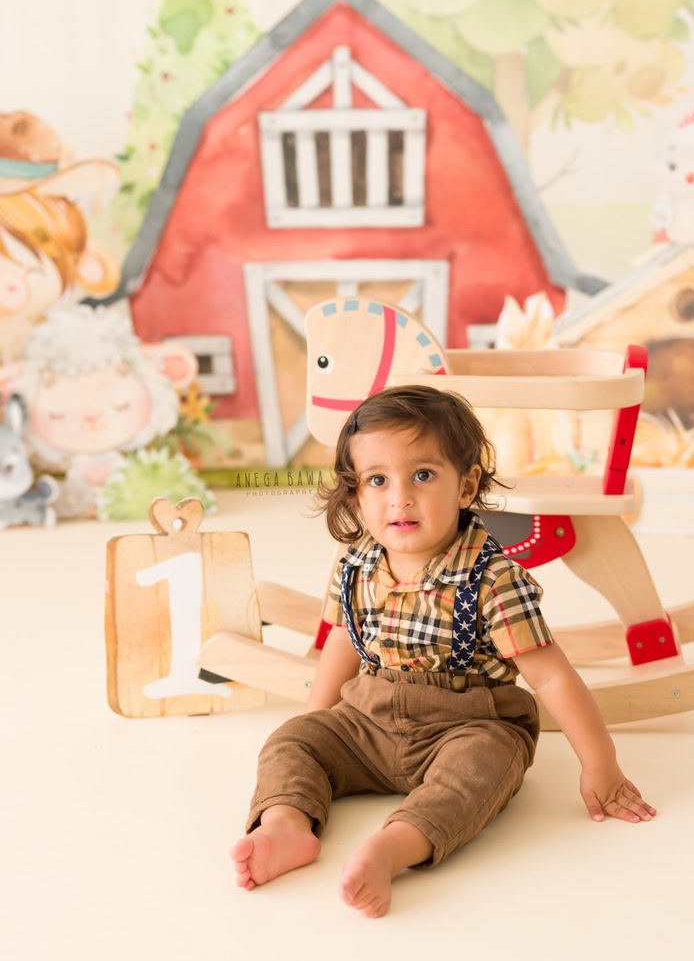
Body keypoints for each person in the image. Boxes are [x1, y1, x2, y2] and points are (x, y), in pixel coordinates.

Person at [230, 386, 656, 918]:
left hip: (468, 724)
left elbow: (550, 678)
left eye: (423, 475)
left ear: (466, 484)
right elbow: (341, 639)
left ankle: (395, 846)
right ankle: (287, 827)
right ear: (355, 493)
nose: (399, 497)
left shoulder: (494, 580)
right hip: (368, 719)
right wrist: (319, 727)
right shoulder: (355, 566)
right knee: (290, 739)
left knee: (479, 769)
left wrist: (603, 767)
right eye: (378, 480)